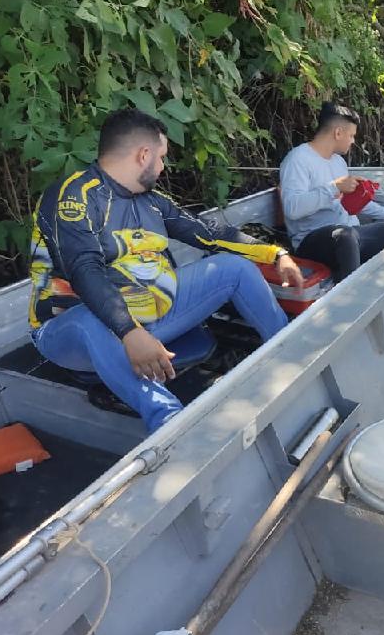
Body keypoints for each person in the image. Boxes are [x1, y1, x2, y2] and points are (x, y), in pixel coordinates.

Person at [28, 108, 304, 432]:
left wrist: (276, 254)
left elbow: (209, 233)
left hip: (151, 316)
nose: (162, 167)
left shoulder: (151, 201)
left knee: (234, 267)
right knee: (93, 319)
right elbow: (84, 269)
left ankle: (292, 350)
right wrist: (130, 332)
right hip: (75, 331)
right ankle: (169, 421)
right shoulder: (73, 197)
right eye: (160, 158)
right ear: (143, 154)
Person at [279, 103, 384, 283]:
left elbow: (351, 203)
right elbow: (292, 209)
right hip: (313, 241)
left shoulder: (338, 162)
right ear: (338, 133)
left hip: (352, 234)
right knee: (345, 236)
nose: (353, 141)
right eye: (352, 135)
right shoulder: (297, 160)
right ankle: (351, 299)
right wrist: (334, 187)